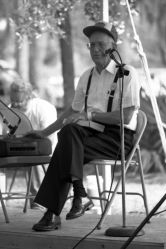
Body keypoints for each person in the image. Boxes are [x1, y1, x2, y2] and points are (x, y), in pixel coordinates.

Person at [26, 21, 141, 231]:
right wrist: (43, 133)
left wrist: (90, 115)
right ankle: (79, 195)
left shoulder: (127, 73)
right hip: (87, 136)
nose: (95, 49)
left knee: (66, 147)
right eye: (91, 45)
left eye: (100, 44)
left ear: (112, 46)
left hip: (118, 139)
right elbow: (71, 111)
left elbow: (125, 116)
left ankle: (55, 212)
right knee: (69, 138)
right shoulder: (87, 76)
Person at [9, 79, 58, 208]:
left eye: (19, 102)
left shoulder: (43, 108)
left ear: (30, 97)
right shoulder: (11, 110)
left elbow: (49, 139)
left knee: (35, 159)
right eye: (13, 102)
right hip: (20, 148)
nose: (16, 106)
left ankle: (39, 202)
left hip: (46, 148)